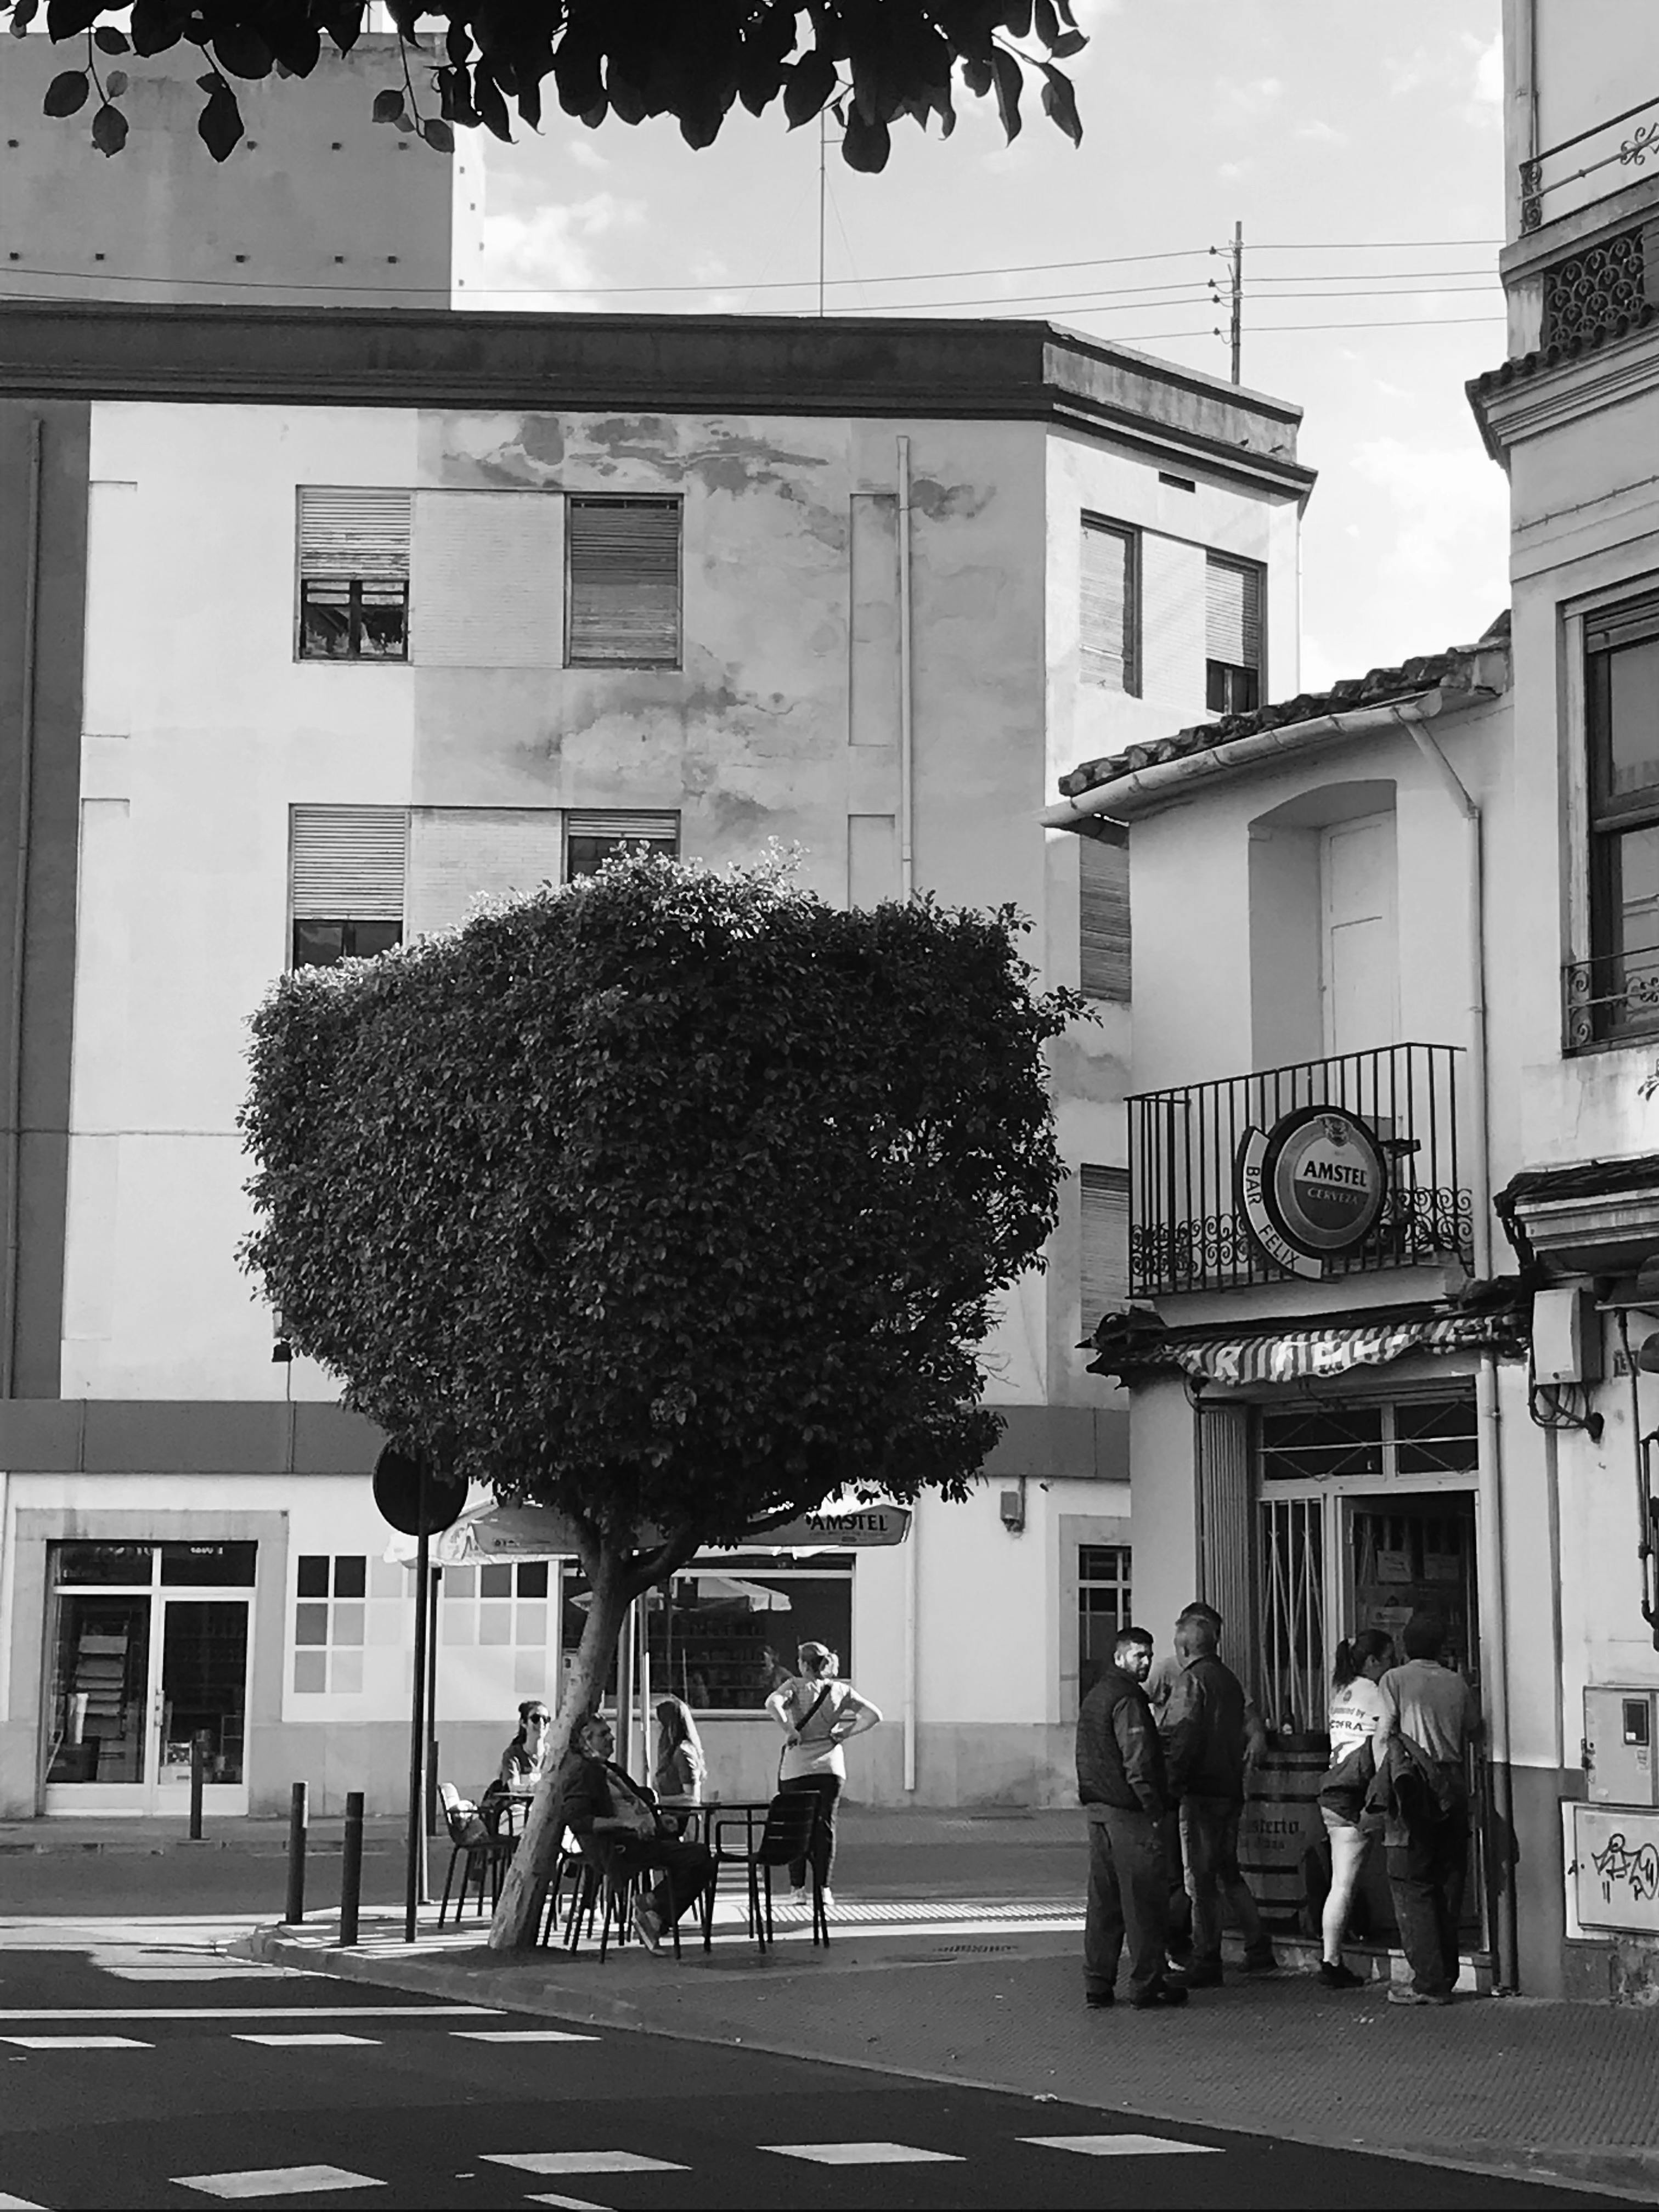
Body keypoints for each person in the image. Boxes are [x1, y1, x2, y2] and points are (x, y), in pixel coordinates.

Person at [1370, 1610, 1482, 2008]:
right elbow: (1476, 1731)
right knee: (1448, 1879)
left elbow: (1384, 1734)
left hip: (1412, 1787)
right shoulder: (1457, 1683)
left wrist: (1380, 1789)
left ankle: (1428, 1982)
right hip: (1451, 1785)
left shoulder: (1394, 1680)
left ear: (1405, 1645)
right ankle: (1445, 1975)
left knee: (1409, 1880)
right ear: (1440, 1647)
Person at [1075, 1625, 1189, 2012]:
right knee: (1144, 1902)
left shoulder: (1095, 1697)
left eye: (1149, 1655)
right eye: (1138, 1655)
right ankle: (1147, 1985)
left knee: (1104, 1904)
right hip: (1129, 1813)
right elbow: (1138, 1760)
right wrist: (1154, 1810)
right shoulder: (1128, 1700)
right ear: (1119, 1657)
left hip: (1098, 1813)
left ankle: (1098, 1984)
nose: (1146, 1662)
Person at [1159, 1611, 1277, 1985]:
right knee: (1229, 1871)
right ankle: (1259, 1947)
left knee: (1201, 1878)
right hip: (1229, 1787)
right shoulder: (1228, 1679)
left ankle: (1206, 1957)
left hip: (1201, 1791)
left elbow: (1182, 1736)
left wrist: (1169, 1785)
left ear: (1184, 1647)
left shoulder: (1191, 1681)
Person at [559, 1709, 714, 1953]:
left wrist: (661, 1822)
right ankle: (654, 1914)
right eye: (603, 1735)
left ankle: (652, 1909)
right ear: (586, 1741)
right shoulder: (583, 1773)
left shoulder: (609, 1770)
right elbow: (579, 1821)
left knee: (703, 1857)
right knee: (698, 1858)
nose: (611, 1738)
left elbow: (636, 1804)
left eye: (610, 1733)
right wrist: (625, 1825)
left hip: (643, 1839)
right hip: (619, 1847)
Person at [765, 1640, 882, 1910]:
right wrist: (845, 1733)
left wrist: (790, 1730)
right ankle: (824, 1888)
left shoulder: (794, 1686)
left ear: (804, 1664)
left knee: (796, 1825)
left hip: (796, 1769)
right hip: (830, 1769)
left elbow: (772, 1703)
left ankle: (798, 1889)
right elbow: (873, 1715)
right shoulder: (840, 1690)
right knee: (824, 1826)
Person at [1317, 1629, 1393, 1989]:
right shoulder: (1377, 1694)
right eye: (1389, 1658)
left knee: (1344, 1881)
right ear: (1373, 1661)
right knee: (1344, 1884)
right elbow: (1382, 1741)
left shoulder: (1341, 1693)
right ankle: (1331, 1961)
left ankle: (1340, 1949)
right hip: (1354, 1794)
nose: (1393, 1666)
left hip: (1333, 1788)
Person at [481, 1699, 552, 1829]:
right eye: (536, 1718)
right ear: (524, 1723)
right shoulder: (513, 1755)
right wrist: (540, 1787)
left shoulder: (552, 1754)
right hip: (517, 1810)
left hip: (545, 1809)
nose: (541, 1723)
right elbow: (514, 1787)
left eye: (546, 1719)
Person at [653, 1695, 707, 1804]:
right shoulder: (671, 1751)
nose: (657, 1727)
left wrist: (658, 1801)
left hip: (681, 1817)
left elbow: (692, 1798)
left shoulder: (683, 1752)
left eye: (660, 1723)